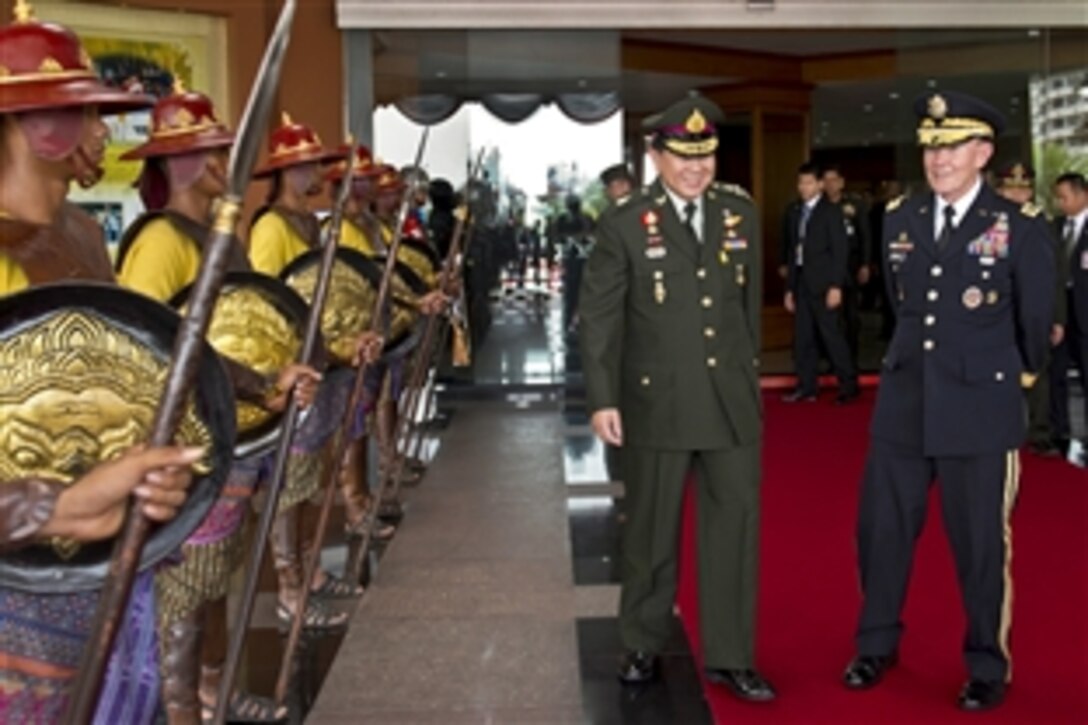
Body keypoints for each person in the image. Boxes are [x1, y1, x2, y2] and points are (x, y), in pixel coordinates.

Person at [0, 3, 202, 720]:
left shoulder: (83, 233)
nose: (99, 130)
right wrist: (49, 503)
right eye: (80, 112)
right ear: (30, 125)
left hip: (107, 558)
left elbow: (130, 363)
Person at [115, 86, 326, 723]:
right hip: (188, 441)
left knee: (217, 577)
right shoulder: (160, 241)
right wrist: (259, 380)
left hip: (228, 421)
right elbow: (154, 350)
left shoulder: (221, 236)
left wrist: (270, 377)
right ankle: (185, 706)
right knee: (184, 592)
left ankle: (213, 689)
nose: (220, 163)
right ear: (176, 164)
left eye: (222, 151)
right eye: (208, 153)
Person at [843, 91, 1054, 712]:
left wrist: (1006, 379)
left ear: (983, 152)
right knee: (880, 533)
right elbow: (902, 304)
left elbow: (1035, 324)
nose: (939, 159)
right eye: (932, 146)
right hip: (905, 404)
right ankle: (875, 644)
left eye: (954, 146)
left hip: (979, 409)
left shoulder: (1019, 228)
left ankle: (987, 662)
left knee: (981, 544)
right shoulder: (900, 219)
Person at [580, 91, 774, 703]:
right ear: (656, 155)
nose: (696, 168)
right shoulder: (624, 223)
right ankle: (642, 641)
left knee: (734, 531)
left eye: (706, 156)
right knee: (651, 536)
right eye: (683, 157)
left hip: (730, 404)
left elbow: (744, 313)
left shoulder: (737, 214)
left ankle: (732, 655)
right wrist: (603, 398)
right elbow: (602, 321)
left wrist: (751, 381)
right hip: (656, 402)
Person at [249, 112, 359, 632]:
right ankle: (288, 585)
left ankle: (311, 571)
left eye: (315, 164)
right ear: (285, 171)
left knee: (313, 475)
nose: (313, 173)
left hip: (325, 356)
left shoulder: (311, 221)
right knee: (288, 484)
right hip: (296, 363)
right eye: (305, 165)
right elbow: (271, 299)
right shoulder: (271, 226)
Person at [782, 162, 859, 404]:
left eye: (807, 183)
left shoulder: (831, 211)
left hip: (825, 284)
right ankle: (807, 387)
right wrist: (790, 289)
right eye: (800, 183)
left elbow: (840, 251)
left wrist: (836, 285)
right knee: (803, 338)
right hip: (803, 282)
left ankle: (848, 385)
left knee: (832, 336)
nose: (802, 188)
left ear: (819, 184)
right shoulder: (795, 212)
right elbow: (793, 254)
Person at [1048, 172, 1088, 459]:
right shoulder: (1056, 227)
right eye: (1058, 198)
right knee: (1056, 375)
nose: (1061, 203)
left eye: (1065, 197)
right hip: (1061, 316)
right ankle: (1059, 432)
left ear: (1082, 194)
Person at [822, 164, 872, 363]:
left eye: (833, 180)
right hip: (826, 267)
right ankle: (831, 359)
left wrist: (865, 264)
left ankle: (851, 357)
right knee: (828, 317)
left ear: (841, 182)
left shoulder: (854, 205)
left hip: (851, 265)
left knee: (850, 315)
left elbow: (865, 235)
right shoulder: (819, 206)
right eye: (825, 180)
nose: (829, 185)